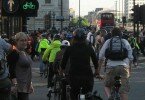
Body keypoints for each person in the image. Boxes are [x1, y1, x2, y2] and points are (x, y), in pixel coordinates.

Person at [60, 28, 100, 100]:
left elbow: (64, 62)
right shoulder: (89, 47)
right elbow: (95, 60)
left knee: (74, 94)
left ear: (74, 38)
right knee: (88, 93)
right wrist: (96, 71)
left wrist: (62, 72)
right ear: (85, 38)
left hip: (74, 75)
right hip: (87, 75)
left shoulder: (70, 48)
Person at [98, 27, 133, 100]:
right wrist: (129, 70)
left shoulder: (108, 41)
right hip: (123, 67)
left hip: (111, 67)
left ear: (111, 34)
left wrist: (98, 71)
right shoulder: (124, 41)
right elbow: (130, 57)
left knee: (107, 85)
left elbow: (101, 56)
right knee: (123, 92)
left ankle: (110, 96)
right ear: (121, 34)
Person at [8, 32, 34, 100]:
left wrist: (30, 83)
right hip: (18, 88)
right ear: (16, 41)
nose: (24, 42)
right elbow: (11, 70)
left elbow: (28, 69)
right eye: (21, 40)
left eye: (25, 40)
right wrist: (15, 85)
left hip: (25, 86)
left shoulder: (24, 52)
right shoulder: (14, 53)